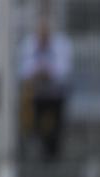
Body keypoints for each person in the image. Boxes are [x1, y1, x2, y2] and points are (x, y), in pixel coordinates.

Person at [19, 17, 72, 161]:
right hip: (35, 96)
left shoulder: (62, 45)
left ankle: (52, 155)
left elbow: (64, 71)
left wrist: (47, 72)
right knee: (34, 127)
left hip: (56, 97)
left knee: (55, 130)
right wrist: (38, 71)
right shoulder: (28, 45)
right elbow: (24, 72)